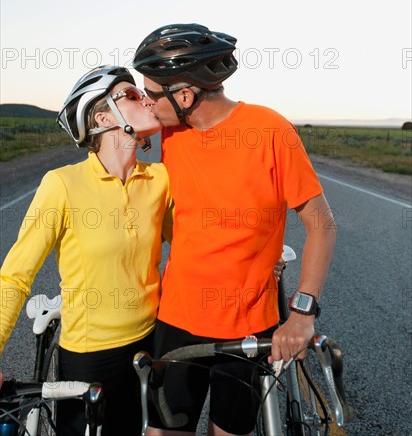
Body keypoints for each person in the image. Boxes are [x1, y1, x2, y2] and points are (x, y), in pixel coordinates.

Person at [132, 24, 336, 436]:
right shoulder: (168, 129)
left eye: (150, 93)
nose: (145, 102)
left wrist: (301, 313)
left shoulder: (270, 131)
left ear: (185, 96)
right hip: (178, 320)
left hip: (248, 324)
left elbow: (322, 224)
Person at [0, 65, 174, 435]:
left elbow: (194, 245)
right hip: (89, 356)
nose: (144, 98)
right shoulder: (62, 184)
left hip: (148, 343)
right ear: (103, 116)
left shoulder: (160, 179)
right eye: (130, 93)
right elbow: (16, 274)